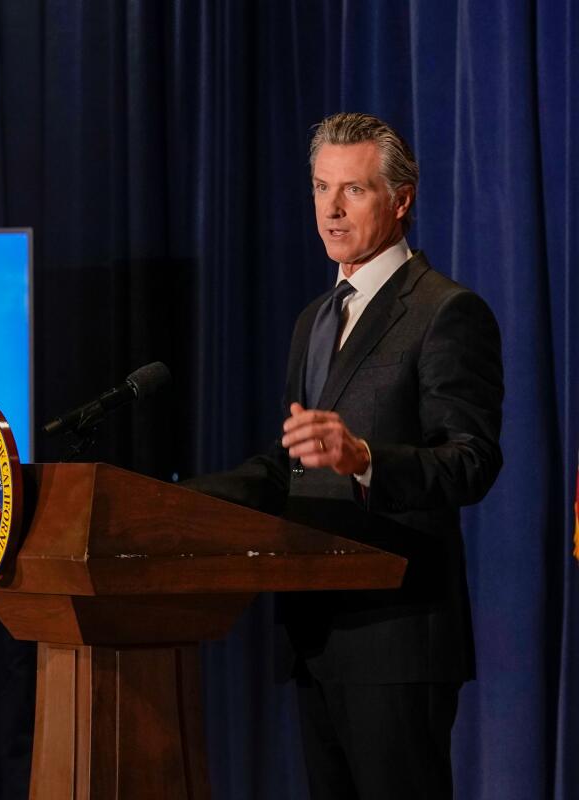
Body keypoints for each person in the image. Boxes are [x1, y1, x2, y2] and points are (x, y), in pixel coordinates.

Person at [185, 112, 503, 799]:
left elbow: (472, 461)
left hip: (398, 639)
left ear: (400, 200)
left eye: (352, 190)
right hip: (318, 633)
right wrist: (186, 502)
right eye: (320, 188)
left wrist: (364, 458)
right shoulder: (314, 319)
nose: (330, 209)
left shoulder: (446, 312)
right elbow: (290, 463)